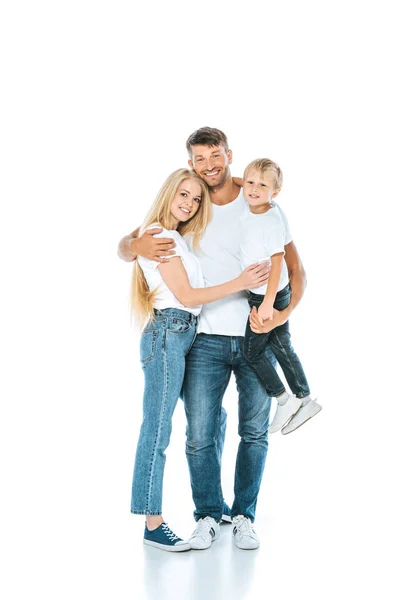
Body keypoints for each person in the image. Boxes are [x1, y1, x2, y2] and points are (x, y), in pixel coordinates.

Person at [118, 127, 307, 550]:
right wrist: (134, 244)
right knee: (197, 433)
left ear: (229, 155)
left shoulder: (258, 198)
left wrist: (280, 314)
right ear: (191, 165)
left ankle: (242, 515)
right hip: (201, 339)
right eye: (200, 160)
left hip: (254, 338)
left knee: (252, 431)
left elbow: (297, 271)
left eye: (215, 156)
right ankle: (202, 515)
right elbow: (128, 244)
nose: (209, 167)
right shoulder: (184, 204)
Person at [129, 167, 268, 552]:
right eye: (184, 195)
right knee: (157, 428)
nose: (190, 203)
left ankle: (215, 505)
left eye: (196, 198)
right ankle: (152, 522)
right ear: (168, 192)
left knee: (213, 419)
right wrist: (241, 282)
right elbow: (187, 297)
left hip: (187, 334)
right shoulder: (158, 237)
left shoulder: (177, 237)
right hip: (168, 334)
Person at [240, 158, 322, 434]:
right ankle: (304, 398)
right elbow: (245, 184)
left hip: (269, 295)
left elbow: (279, 263)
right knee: (281, 344)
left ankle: (284, 398)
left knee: (250, 351)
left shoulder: (270, 220)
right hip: (265, 293)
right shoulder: (257, 206)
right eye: (249, 182)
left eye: (262, 185)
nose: (252, 188)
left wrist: (266, 304)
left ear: (275, 192)